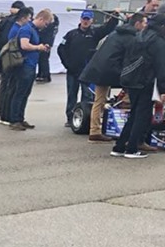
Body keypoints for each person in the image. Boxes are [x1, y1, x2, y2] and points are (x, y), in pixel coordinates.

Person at [79, 12, 146, 143]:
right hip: (112, 70)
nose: (145, 26)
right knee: (129, 93)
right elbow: (130, 60)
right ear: (137, 24)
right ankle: (123, 126)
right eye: (144, 23)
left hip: (99, 69)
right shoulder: (131, 38)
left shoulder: (115, 34)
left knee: (99, 100)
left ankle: (94, 131)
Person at [110, 11, 165, 159]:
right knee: (142, 115)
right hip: (144, 81)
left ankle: (120, 146)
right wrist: (163, 89)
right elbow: (161, 66)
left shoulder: (139, 36)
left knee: (134, 114)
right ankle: (132, 148)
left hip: (131, 79)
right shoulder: (158, 41)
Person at [57, 9, 118, 125]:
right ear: (80, 19)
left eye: (88, 19)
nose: (85, 21)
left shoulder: (95, 33)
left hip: (87, 72)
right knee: (71, 95)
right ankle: (70, 118)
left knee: (87, 96)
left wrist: (114, 17)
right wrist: (67, 64)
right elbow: (61, 49)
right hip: (72, 72)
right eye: (84, 19)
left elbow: (107, 28)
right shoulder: (71, 34)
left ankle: (84, 119)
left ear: (92, 20)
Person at [8, 8, 53, 130]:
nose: (45, 26)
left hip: (31, 65)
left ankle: (20, 118)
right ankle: (14, 119)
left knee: (25, 93)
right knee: (20, 93)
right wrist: (38, 47)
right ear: (41, 19)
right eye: (46, 23)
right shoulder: (26, 29)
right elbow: (24, 45)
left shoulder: (33, 30)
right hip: (25, 65)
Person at [36, 13, 60, 82]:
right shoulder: (54, 26)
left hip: (45, 43)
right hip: (48, 43)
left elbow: (46, 34)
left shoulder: (50, 27)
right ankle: (41, 74)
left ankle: (45, 75)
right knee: (43, 60)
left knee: (43, 60)